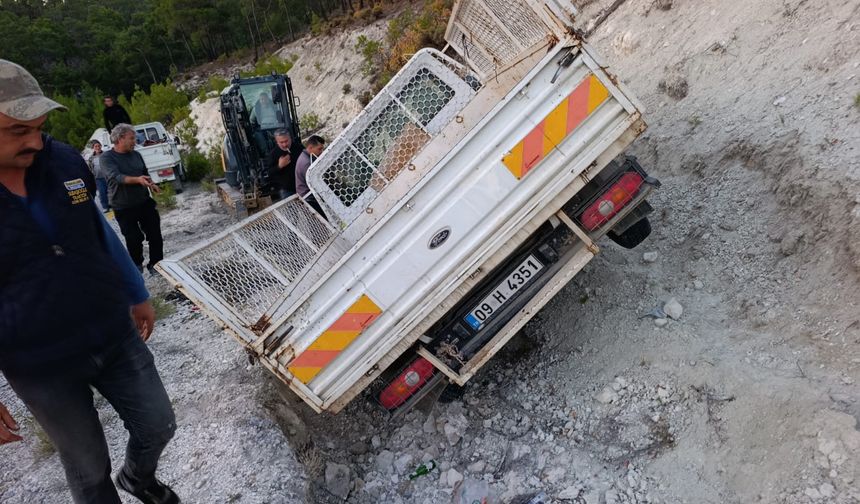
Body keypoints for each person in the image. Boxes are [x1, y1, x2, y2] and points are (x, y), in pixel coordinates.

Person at [0, 59, 179, 504]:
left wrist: (137, 293)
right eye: (16, 132)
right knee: (87, 469)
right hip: (39, 363)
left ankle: (138, 477)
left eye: (39, 127)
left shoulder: (61, 161)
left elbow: (96, 230)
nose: (34, 141)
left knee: (159, 423)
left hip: (110, 329)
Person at [100, 123, 164, 275]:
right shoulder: (107, 158)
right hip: (123, 206)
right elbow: (116, 177)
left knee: (155, 234)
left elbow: (144, 172)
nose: (135, 141)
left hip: (143, 201)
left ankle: (157, 265)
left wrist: (151, 184)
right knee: (134, 238)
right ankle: (136, 265)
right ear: (120, 139)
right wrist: (138, 180)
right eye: (132, 138)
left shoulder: (136, 155)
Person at [295, 135, 326, 216]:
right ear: (310, 147)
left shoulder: (305, 157)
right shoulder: (307, 163)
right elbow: (314, 182)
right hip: (309, 198)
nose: (321, 152)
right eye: (319, 149)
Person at [267, 128, 303, 200]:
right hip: (287, 190)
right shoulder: (273, 154)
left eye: (286, 141)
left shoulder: (299, 148)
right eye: (281, 142)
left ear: (290, 138)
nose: (285, 144)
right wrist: (279, 166)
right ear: (277, 142)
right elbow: (270, 173)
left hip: (302, 185)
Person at [87, 139, 110, 212]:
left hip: (108, 176)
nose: (97, 147)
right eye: (96, 146)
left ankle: (112, 204)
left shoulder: (106, 155)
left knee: (110, 191)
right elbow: (90, 168)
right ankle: (105, 207)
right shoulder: (91, 158)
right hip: (98, 178)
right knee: (102, 192)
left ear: (101, 146)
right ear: (93, 148)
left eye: (99, 146)